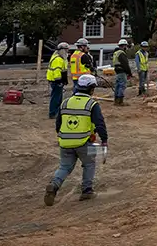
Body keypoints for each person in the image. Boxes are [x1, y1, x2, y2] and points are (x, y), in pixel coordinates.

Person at [44, 73, 108, 205]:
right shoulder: (92, 104)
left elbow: (58, 124)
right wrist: (104, 139)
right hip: (85, 142)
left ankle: (54, 185)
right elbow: (100, 123)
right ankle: (87, 191)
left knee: (64, 167)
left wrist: (63, 136)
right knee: (89, 164)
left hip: (65, 142)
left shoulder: (65, 102)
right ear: (91, 89)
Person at [45, 42, 70, 120]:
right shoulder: (58, 59)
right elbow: (57, 71)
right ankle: (53, 113)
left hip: (57, 81)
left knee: (58, 98)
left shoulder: (59, 57)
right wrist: (59, 81)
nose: (67, 52)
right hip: (56, 81)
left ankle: (57, 112)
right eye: (66, 50)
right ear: (62, 50)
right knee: (56, 98)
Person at [112, 39, 133, 105]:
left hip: (117, 70)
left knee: (117, 86)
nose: (126, 47)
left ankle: (116, 100)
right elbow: (125, 64)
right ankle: (120, 101)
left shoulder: (116, 53)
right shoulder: (121, 53)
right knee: (122, 85)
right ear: (124, 46)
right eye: (125, 46)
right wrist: (129, 73)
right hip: (122, 70)